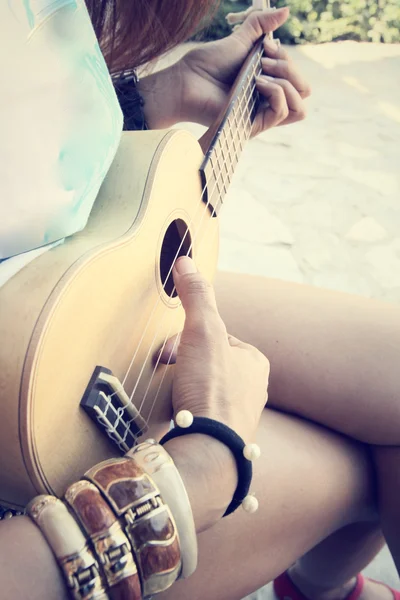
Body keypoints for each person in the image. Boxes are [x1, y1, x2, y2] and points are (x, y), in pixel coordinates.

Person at [0, 1, 399, 599]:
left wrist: (147, 97)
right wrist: (209, 464)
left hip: (55, 300)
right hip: (35, 505)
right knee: (364, 461)